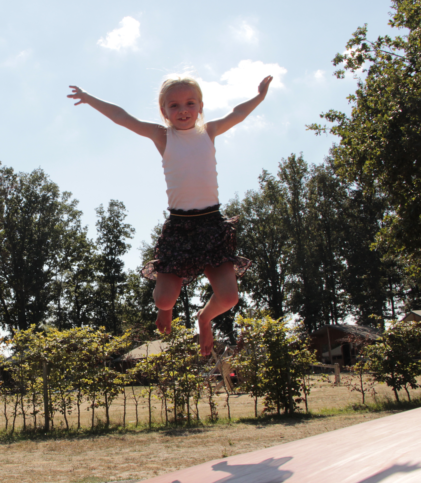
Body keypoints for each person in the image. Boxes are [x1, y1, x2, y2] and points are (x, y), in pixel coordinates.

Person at [67, 74, 271, 355]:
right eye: (173, 106)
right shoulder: (162, 135)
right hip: (180, 227)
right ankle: (166, 310)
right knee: (163, 300)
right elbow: (122, 117)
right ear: (164, 111)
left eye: (190, 103)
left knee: (229, 296)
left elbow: (237, 113)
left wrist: (259, 97)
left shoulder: (209, 131)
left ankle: (204, 319)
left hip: (212, 225)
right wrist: (89, 98)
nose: (182, 110)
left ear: (200, 106)